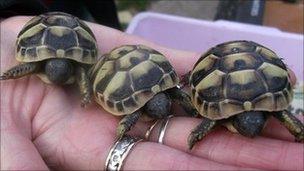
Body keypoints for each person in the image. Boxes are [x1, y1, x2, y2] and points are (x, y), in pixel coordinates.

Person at [1, 16, 303, 170]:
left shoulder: (171, 99)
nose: (249, 131)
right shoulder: (49, 69)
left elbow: (193, 107)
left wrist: (199, 125)